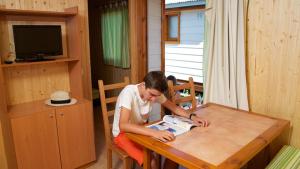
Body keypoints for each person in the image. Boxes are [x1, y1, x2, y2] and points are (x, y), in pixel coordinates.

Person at [112, 71, 209, 169]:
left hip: (142, 129)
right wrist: (154, 133)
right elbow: (123, 125)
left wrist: (192, 117)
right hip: (122, 134)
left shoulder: (155, 92)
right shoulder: (128, 92)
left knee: (175, 150)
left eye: (157, 96)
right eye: (151, 95)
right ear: (143, 85)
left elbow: (174, 108)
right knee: (152, 162)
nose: (154, 99)